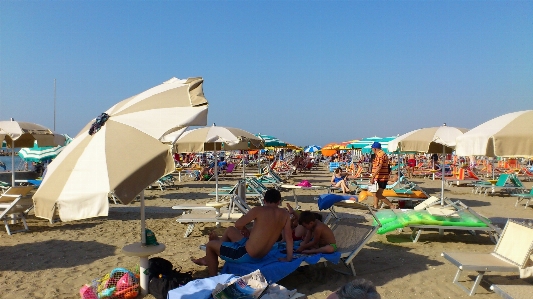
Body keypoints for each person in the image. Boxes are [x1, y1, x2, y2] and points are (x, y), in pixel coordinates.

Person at [191, 189, 293, 276]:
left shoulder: (258, 210)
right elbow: (289, 238)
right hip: (260, 255)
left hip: (245, 254)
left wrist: (243, 229)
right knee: (230, 230)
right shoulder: (285, 214)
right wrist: (288, 258)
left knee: (210, 245)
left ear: (264, 200)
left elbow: (238, 224)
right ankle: (209, 257)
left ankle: (212, 277)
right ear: (279, 202)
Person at [369, 142, 396, 210]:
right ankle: (375, 206)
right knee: (375, 193)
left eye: (372, 148)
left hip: (381, 177)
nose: (372, 149)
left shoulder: (380, 155)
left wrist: (373, 177)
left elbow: (379, 167)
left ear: (375, 149)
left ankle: (391, 205)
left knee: (378, 194)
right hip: (379, 177)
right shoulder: (381, 154)